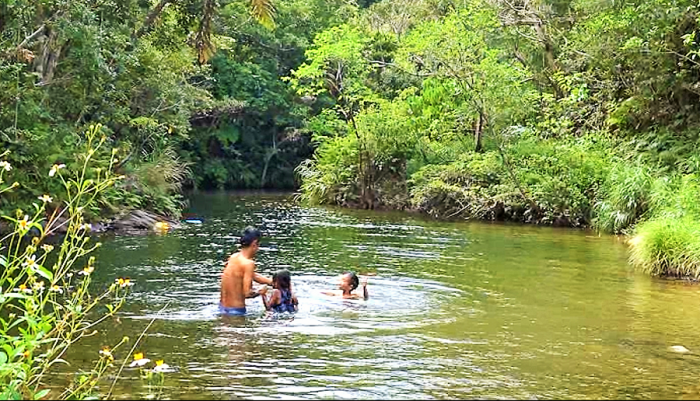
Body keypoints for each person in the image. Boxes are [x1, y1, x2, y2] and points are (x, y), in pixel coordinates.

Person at [219, 226, 273, 316]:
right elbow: (247, 293)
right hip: (236, 311)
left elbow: (252, 275)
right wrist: (260, 291)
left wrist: (272, 282)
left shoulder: (234, 257)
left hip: (222, 308)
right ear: (254, 243)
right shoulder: (249, 264)